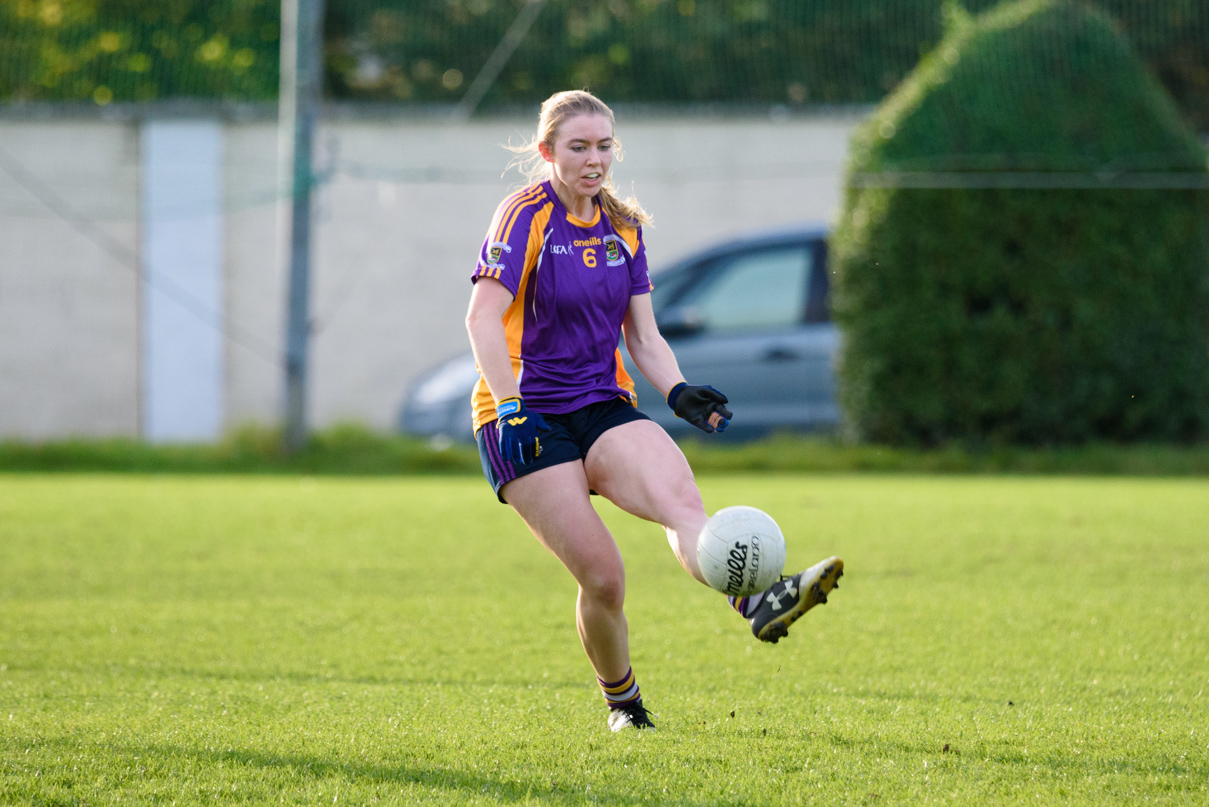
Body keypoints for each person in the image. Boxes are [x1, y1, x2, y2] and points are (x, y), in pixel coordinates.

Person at [465, 89, 843, 732]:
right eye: (578, 147)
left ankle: (756, 599)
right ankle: (624, 706)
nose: (594, 159)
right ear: (547, 151)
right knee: (604, 577)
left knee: (682, 505)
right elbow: (480, 318)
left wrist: (677, 390)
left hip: (602, 405)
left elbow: (642, 335)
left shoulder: (624, 225)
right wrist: (508, 409)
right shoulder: (523, 215)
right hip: (524, 421)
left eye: (604, 145)